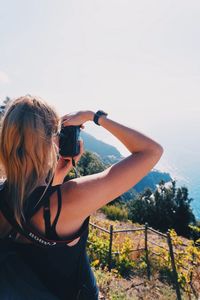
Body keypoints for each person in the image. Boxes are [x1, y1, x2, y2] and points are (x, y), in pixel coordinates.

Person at [0, 95, 164, 299]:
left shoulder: (6, 193)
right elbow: (151, 151)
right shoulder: (71, 198)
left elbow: (33, 207)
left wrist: (57, 176)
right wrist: (93, 116)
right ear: (52, 141)